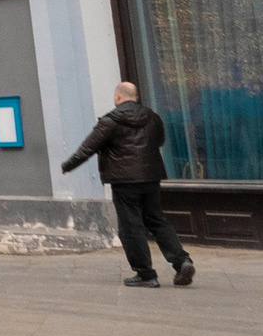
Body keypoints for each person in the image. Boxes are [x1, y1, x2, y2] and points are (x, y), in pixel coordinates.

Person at [61, 81, 193, 288]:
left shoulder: (110, 121)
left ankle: (146, 274)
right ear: (136, 97)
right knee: (157, 220)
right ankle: (182, 261)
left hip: (124, 181)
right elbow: (159, 141)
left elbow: (88, 148)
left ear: (117, 97)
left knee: (131, 227)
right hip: (150, 178)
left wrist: (68, 165)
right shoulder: (153, 117)